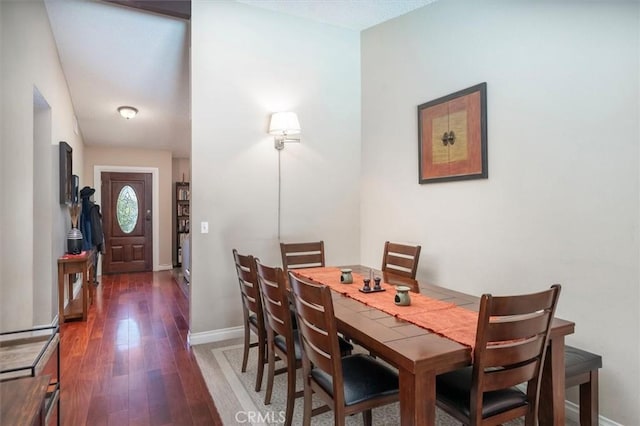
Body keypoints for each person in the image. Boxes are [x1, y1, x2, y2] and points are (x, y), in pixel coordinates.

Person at [79, 186, 104, 284]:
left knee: (91, 258)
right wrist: (99, 241)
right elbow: (96, 226)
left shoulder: (85, 208)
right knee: (94, 258)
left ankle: (91, 279)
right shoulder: (92, 208)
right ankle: (92, 279)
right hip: (93, 236)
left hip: (88, 236)